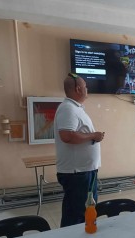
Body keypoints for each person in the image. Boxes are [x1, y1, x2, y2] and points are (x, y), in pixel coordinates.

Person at [54, 73, 105, 227]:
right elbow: (67, 136)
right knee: (76, 214)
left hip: (85, 171)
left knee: (86, 210)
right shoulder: (68, 108)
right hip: (77, 173)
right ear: (78, 89)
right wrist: (94, 136)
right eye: (85, 86)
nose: (87, 89)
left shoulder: (75, 108)